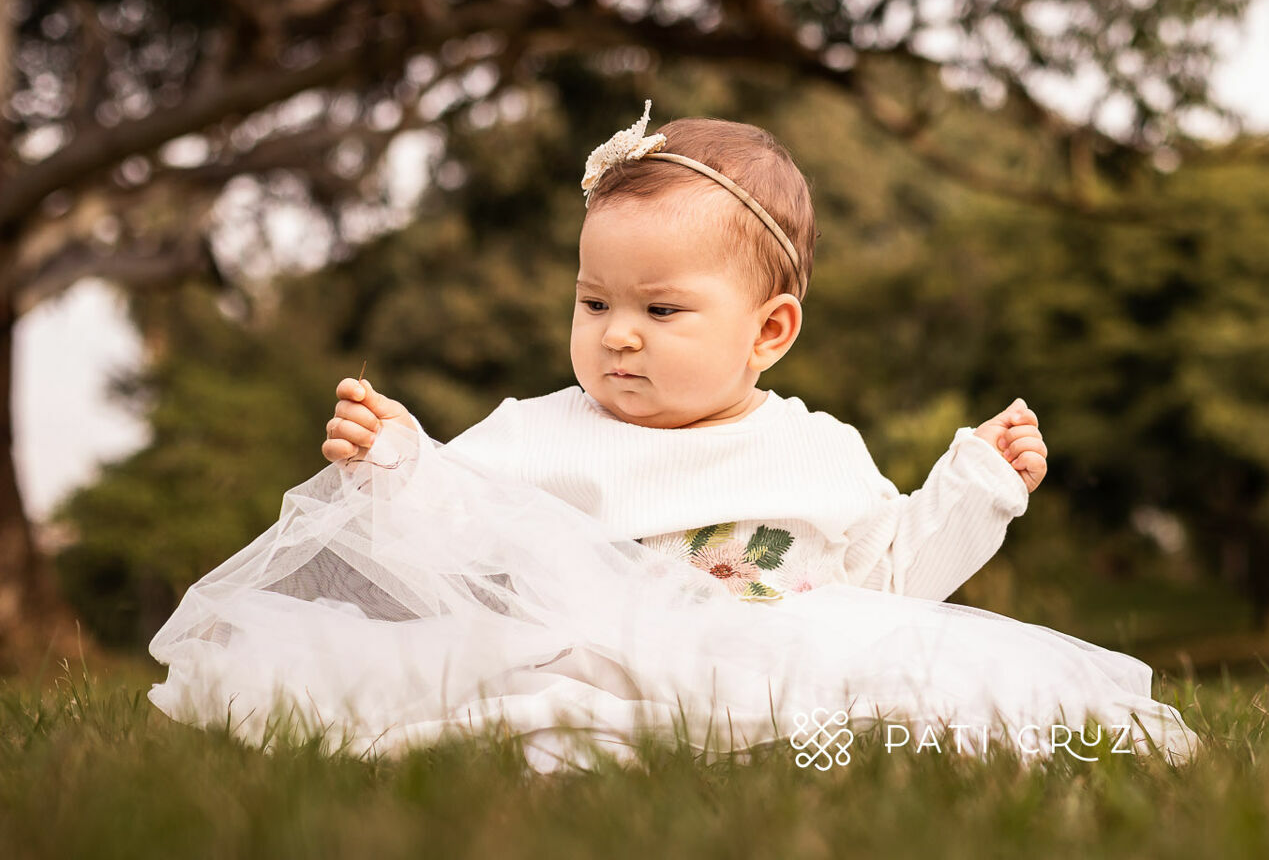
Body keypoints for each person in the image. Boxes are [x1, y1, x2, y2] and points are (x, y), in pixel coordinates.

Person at [147, 102, 1199, 772]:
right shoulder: (536, 432)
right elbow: (460, 539)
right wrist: (400, 463)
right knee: (531, 712)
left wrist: (972, 488)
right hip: (592, 664)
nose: (616, 336)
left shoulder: (814, 448)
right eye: (593, 299)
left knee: (907, 688)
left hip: (770, 656)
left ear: (769, 331)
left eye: (661, 310)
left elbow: (890, 577)